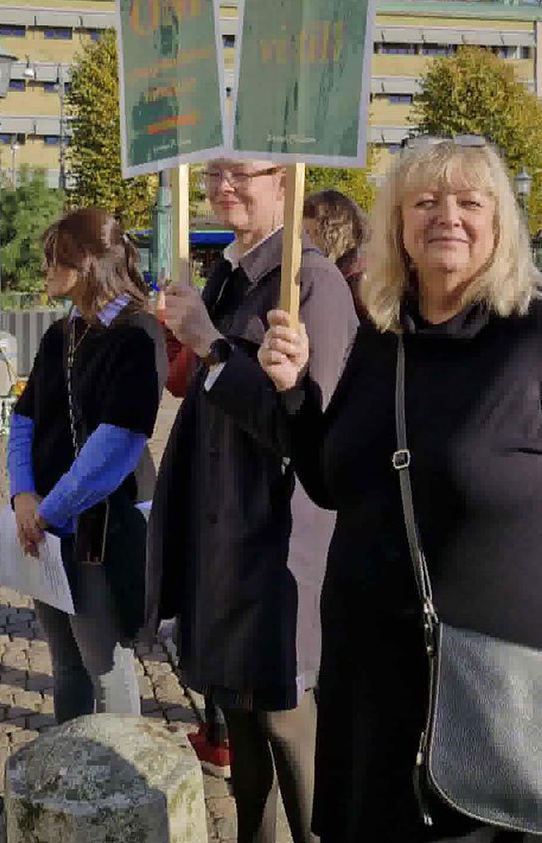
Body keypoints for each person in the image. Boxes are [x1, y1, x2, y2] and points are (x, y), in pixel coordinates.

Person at [256, 138, 542, 841]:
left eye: (469, 202)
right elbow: (336, 485)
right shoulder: (381, 337)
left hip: (503, 702)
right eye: (425, 202)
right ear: (397, 225)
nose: (447, 217)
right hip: (373, 694)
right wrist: (294, 395)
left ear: (500, 222)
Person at [149, 159, 357, 843]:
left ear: (284, 181)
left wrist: (212, 347)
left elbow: (307, 433)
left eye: (241, 173)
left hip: (279, 544)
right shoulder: (226, 277)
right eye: (214, 175)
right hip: (222, 539)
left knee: (284, 721)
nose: (223, 187)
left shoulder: (312, 283)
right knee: (239, 726)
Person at [7, 208, 165, 723]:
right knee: (65, 663)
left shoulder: (138, 333)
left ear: (89, 264)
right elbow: (25, 418)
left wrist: (44, 511)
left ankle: (118, 769)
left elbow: (115, 446)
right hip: (47, 527)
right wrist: (22, 495)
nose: (46, 269)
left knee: (104, 664)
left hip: (103, 527)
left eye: (56, 258)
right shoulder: (60, 334)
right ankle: (70, 759)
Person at [302, 189, 370, 321]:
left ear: (331, 233)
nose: (303, 242)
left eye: (308, 233)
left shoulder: (358, 284)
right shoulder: (344, 274)